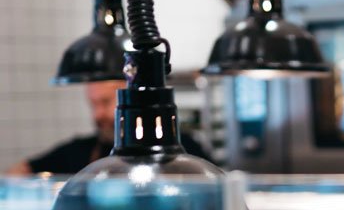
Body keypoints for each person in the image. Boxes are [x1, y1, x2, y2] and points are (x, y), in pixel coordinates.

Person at [5, 81, 212, 176]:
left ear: (130, 98)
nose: (98, 115)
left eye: (104, 103)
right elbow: (17, 173)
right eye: (93, 105)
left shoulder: (184, 149)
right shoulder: (78, 151)